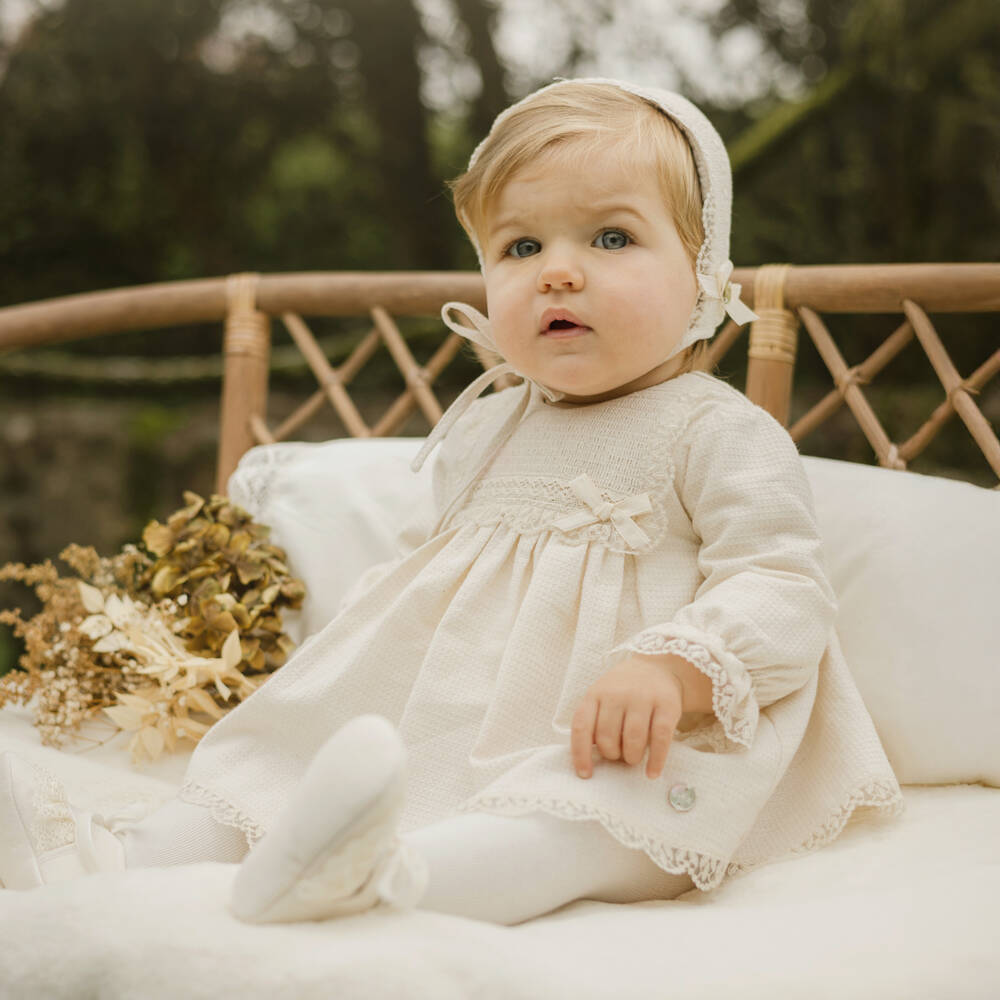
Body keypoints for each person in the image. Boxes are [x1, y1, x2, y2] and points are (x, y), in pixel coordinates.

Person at [0, 77, 904, 927]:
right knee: (279, 752)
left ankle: (384, 884)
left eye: (611, 238)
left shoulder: (716, 429)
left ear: (705, 272)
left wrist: (673, 669)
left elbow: (783, 583)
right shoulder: (486, 426)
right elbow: (424, 572)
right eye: (520, 247)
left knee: (574, 818)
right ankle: (111, 863)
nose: (557, 272)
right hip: (450, 710)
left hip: (620, 734)